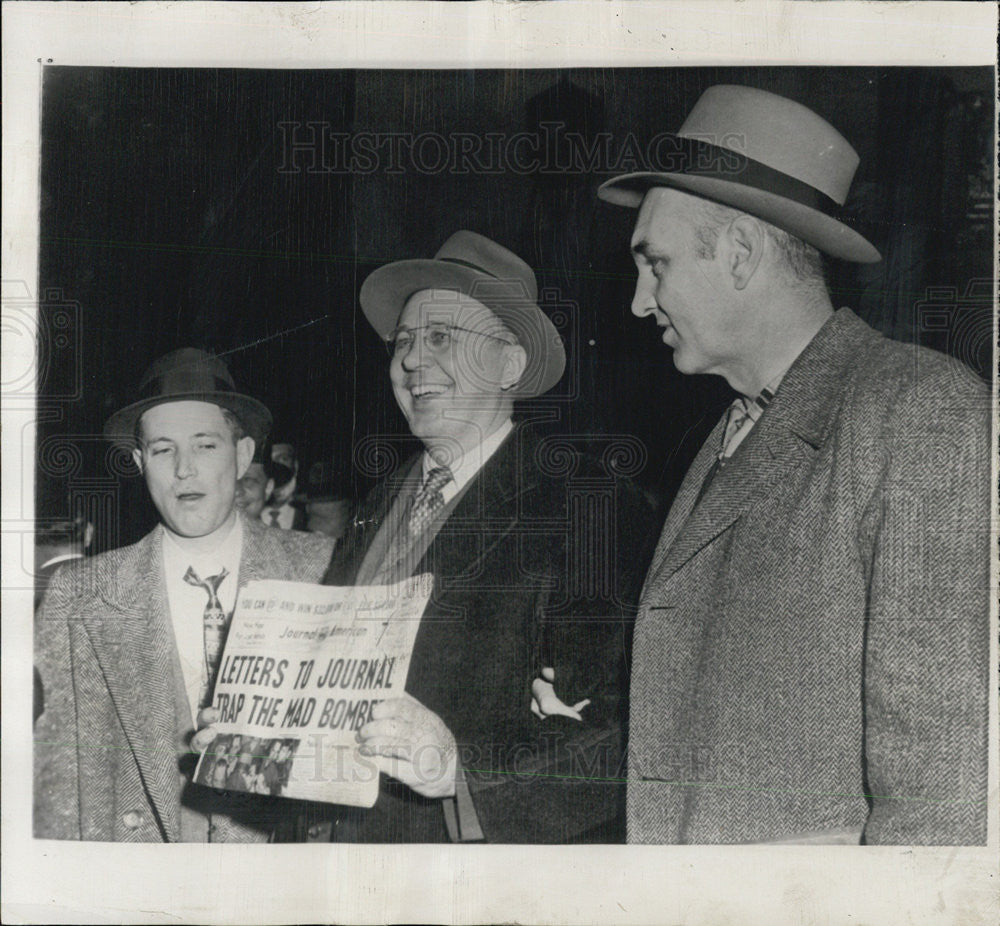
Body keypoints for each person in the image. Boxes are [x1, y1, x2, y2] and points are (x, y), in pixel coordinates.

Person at [596, 85, 989, 845]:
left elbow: (944, 794)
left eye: (658, 264)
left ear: (740, 253)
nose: (641, 303)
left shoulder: (920, 412)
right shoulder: (731, 429)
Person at [289, 231, 653, 843]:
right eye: (402, 342)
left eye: (440, 339)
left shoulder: (585, 505)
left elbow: (620, 731)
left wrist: (463, 771)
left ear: (509, 364)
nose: (410, 362)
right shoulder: (376, 503)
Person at [34, 347, 335, 842]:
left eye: (205, 446)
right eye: (162, 449)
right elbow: (56, 789)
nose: (184, 470)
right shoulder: (80, 595)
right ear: (138, 462)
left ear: (242, 457)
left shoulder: (323, 568)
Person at [260, 441, 306, 530]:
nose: (276, 468)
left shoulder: (312, 513)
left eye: (283, 459)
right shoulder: (245, 512)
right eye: (268, 461)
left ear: (295, 465)